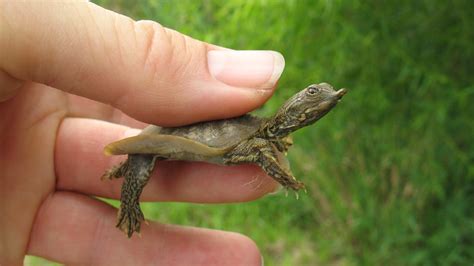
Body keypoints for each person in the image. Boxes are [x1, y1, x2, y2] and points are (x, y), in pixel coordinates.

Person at [0, 2, 285, 265]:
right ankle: (129, 203)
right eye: (312, 95)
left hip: (211, 137)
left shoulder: (261, 134)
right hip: (174, 137)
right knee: (143, 156)